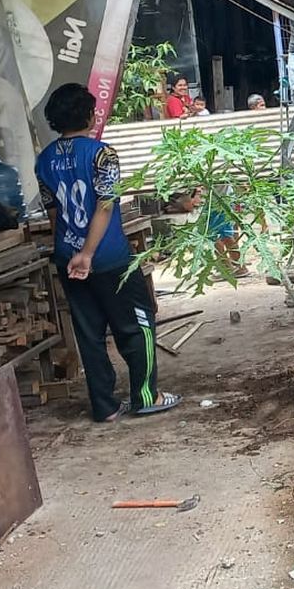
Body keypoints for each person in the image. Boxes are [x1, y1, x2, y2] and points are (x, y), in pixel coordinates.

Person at [35, 83, 180, 421]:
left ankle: (105, 406)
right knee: (137, 324)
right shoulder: (103, 155)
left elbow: (53, 211)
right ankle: (147, 395)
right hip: (108, 257)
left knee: (89, 333)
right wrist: (87, 253)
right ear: (89, 114)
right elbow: (104, 206)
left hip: (66, 258)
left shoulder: (43, 161)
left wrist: (70, 252)